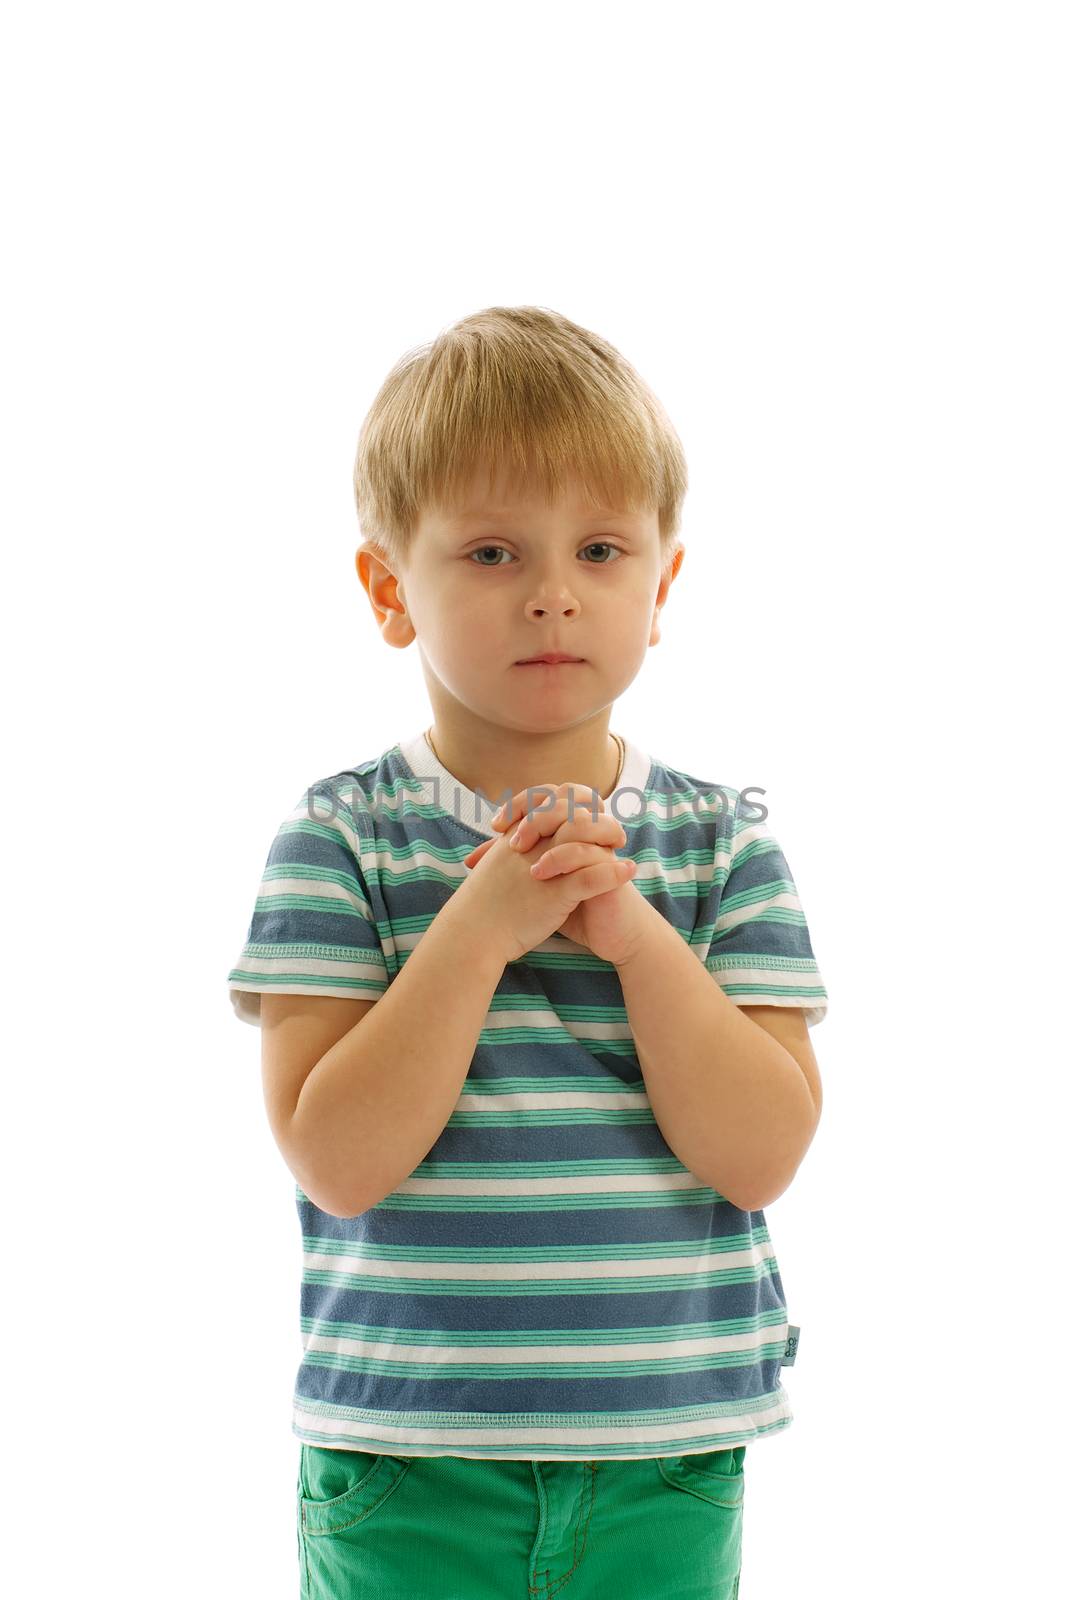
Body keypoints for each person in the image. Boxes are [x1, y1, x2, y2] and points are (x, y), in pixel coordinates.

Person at [227, 305, 829, 1599]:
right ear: (391, 589)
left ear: (661, 587)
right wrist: (480, 926)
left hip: (664, 1458)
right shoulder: (338, 842)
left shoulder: (725, 849)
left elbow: (762, 1149)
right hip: (411, 1464)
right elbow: (336, 1157)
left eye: (601, 549)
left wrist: (640, 944)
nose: (554, 590)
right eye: (494, 551)